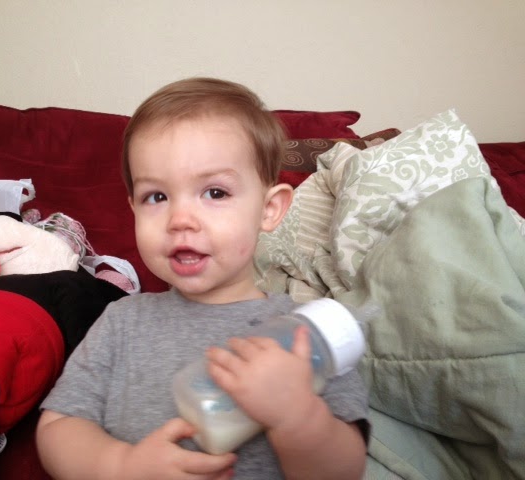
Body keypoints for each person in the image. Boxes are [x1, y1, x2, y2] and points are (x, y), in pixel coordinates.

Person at [36, 77, 369, 479]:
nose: (180, 220)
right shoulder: (121, 322)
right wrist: (121, 465)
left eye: (214, 193)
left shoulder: (306, 335)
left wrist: (297, 416)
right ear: (133, 209)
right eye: (156, 197)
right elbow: (58, 427)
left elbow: (345, 470)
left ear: (269, 209)